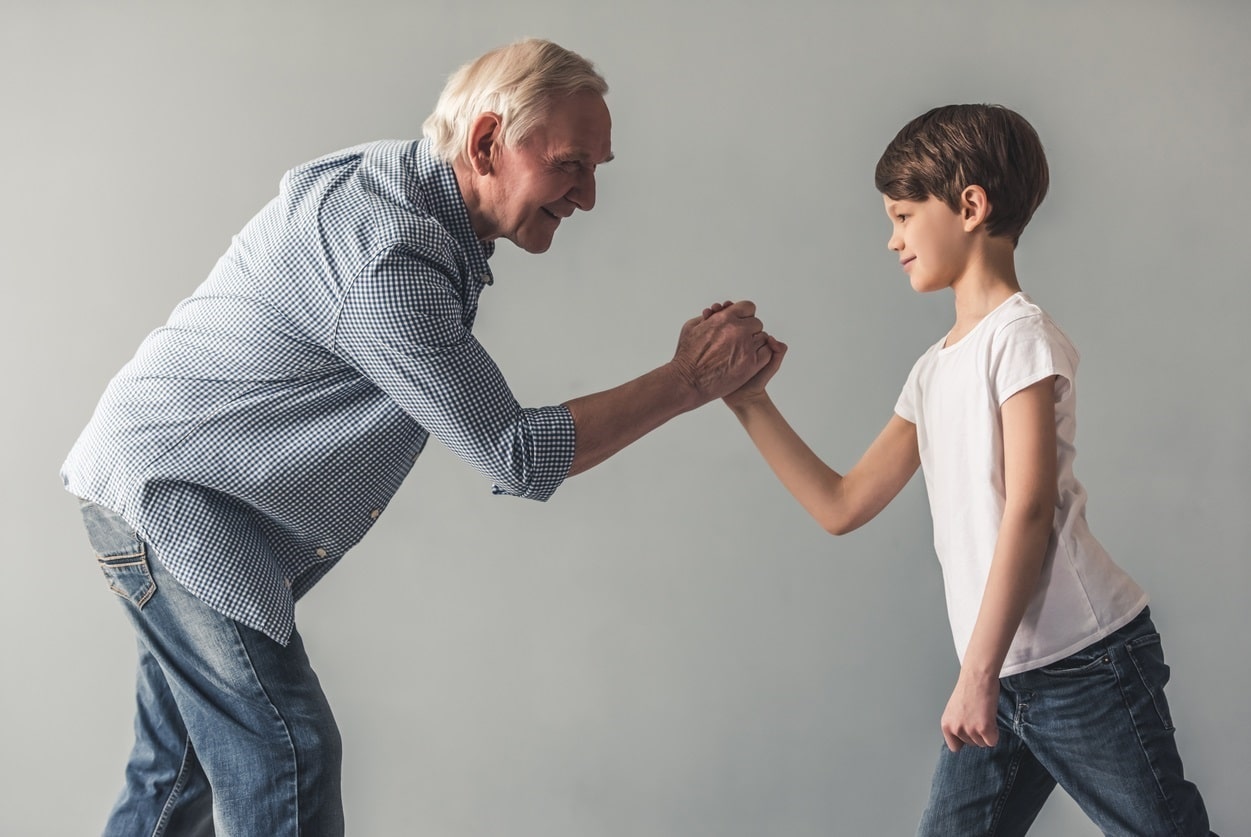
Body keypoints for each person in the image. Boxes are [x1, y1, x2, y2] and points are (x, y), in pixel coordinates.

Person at [63, 38, 771, 836]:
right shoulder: (385, 253)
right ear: (484, 143)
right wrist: (688, 379)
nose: (589, 196)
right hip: (174, 500)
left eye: (598, 167)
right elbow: (518, 453)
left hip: (161, 485)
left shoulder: (404, 195)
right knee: (288, 750)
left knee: (179, 766)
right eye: (573, 164)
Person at [711, 104, 1216, 835]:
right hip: (1000, 676)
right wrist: (750, 401)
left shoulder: (1020, 337)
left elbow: (1029, 508)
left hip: (1084, 664)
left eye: (904, 215)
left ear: (970, 206)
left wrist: (975, 675)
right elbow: (842, 503)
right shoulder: (933, 369)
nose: (893, 240)